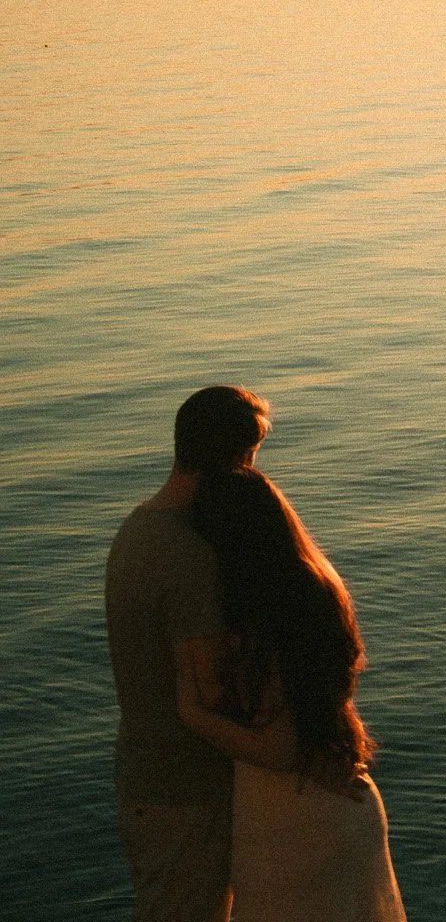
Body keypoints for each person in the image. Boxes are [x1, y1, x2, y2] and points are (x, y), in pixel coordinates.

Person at [176, 466, 406, 922]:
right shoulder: (317, 587)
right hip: (343, 804)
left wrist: (193, 713)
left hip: (291, 822)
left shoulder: (264, 617)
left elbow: (280, 749)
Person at [106, 384, 271, 922]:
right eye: (251, 459)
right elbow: (208, 691)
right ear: (236, 459)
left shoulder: (137, 526)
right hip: (188, 791)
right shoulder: (188, 554)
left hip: (145, 775)